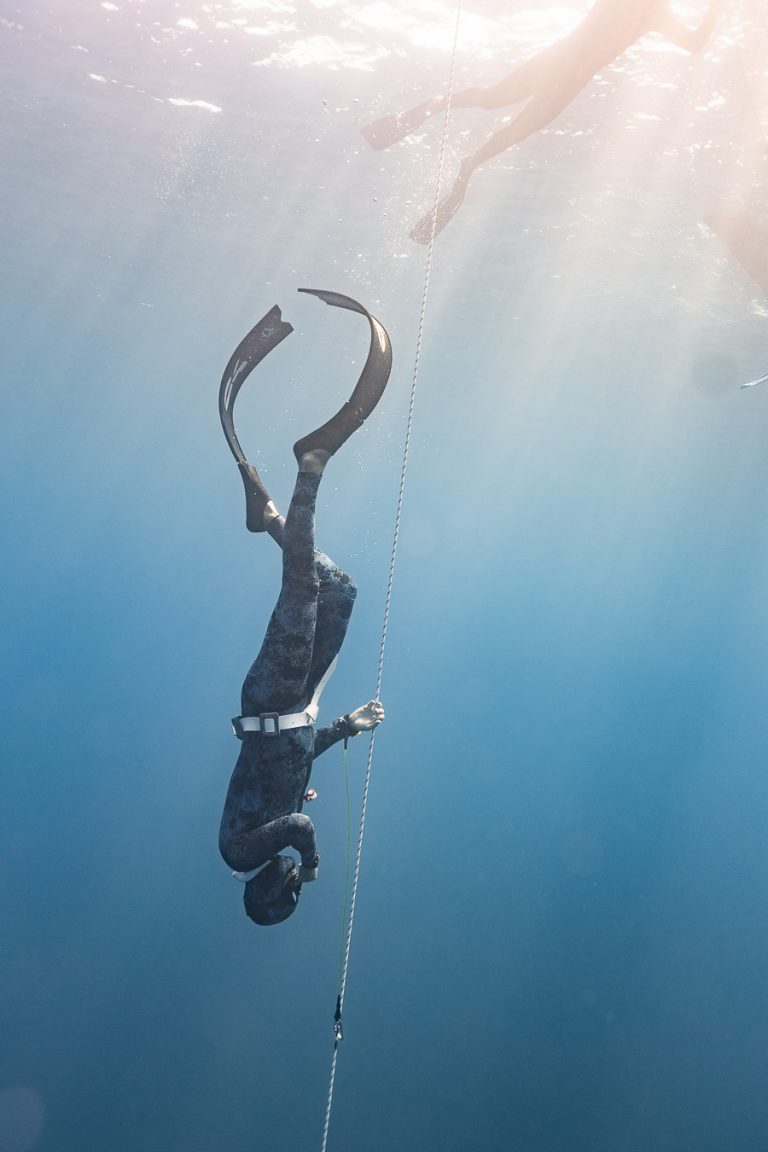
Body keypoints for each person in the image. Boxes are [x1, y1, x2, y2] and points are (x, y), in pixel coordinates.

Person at [217, 289, 391, 926]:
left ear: (273, 891)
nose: (294, 880)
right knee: (340, 592)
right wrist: (347, 728)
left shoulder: (240, 850)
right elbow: (291, 771)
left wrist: (313, 860)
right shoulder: (256, 847)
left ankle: (309, 465)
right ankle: (267, 520)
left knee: (303, 592)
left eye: (291, 886)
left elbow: (293, 821)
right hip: (298, 705)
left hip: (271, 698)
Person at [362, 0, 723, 241]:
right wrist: (718, 11)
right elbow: (695, 42)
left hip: (558, 65)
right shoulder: (656, 12)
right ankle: (453, 144)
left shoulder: (655, 11)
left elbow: (693, 43)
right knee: (500, 111)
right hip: (566, 74)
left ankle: (444, 130)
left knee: (494, 103)